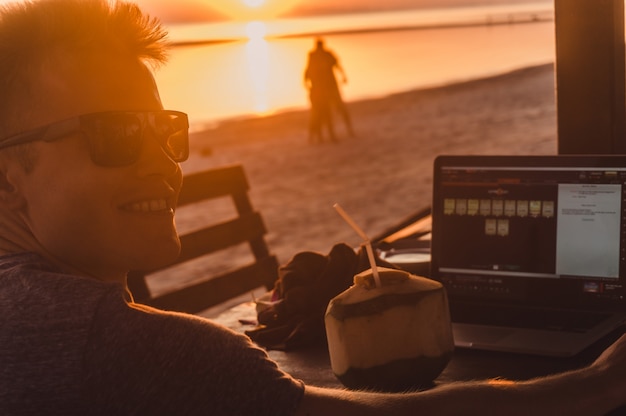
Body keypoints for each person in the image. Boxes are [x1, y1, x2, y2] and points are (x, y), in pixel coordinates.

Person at [0, 1, 625, 415]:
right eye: (115, 135)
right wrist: (599, 384)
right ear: (8, 178)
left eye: (165, 129)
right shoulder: (115, 345)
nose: (166, 164)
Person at [304, 37, 355, 143]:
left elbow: (337, 65)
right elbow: (307, 71)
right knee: (321, 113)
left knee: (333, 110)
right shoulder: (313, 56)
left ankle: (345, 131)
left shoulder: (326, 55)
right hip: (320, 89)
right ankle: (319, 137)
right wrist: (307, 84)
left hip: (328, 88)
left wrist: (343, 76)